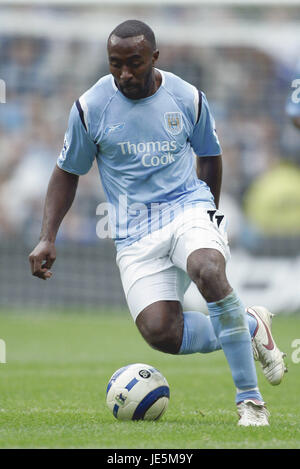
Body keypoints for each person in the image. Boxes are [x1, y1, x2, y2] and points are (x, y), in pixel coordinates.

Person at [29, 20, 286, 426]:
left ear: (154, 57)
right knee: (161, 332)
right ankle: (251, 324)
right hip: (134, 231)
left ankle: (250, 402)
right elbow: (66, 172)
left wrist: (208, 220)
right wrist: (47, 237)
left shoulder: (187, 98)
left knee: (208, 269)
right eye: (116, 64)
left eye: (134, 63)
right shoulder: (91, 107)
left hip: (187, 208)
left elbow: (209, 156)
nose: (125, 74)